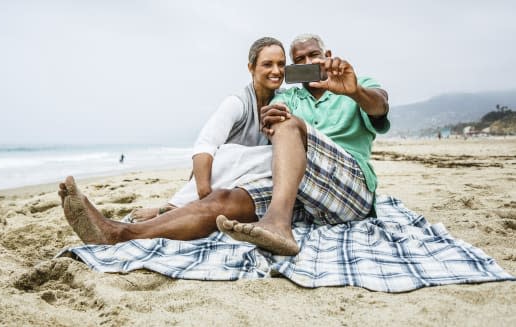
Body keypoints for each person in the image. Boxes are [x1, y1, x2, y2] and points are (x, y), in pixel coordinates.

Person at [58, 33, 389, 256]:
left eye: (313, 56)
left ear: (327, 56)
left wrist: (353, 92)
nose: (306, 62)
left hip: (350, 191)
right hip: (303, 197)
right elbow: (226, 144)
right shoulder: (288, 96)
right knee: (223, 199)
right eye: (298, 60)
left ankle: (277, 223)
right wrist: (271, 123)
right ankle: (120, 233)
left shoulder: (357, 83)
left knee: (289, 125)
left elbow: (380, 107)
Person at [126, 37, 285, 222]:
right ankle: (173, 207)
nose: (276, 71)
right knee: (234, 154)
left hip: (250, 183)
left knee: (275, 155)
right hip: (220, 180)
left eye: (281, 64)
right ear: (251, 68)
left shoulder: (286, 100)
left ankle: (173, 208)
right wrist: (204, 195)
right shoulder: (237, 103)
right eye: (267, 64)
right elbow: (206, 145)